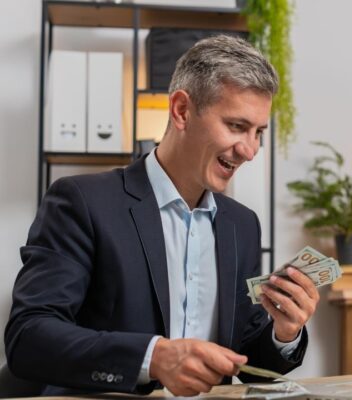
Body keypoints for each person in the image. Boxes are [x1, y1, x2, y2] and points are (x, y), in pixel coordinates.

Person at [4, 35, 319, 396]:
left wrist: (284, 333)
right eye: (236, 126)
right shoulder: (82, 202)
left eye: (258, 132)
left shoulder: (242, 225)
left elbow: (250, 363)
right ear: (182, 111)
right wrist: (153, 358)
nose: (249, 150)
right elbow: (29, 336)